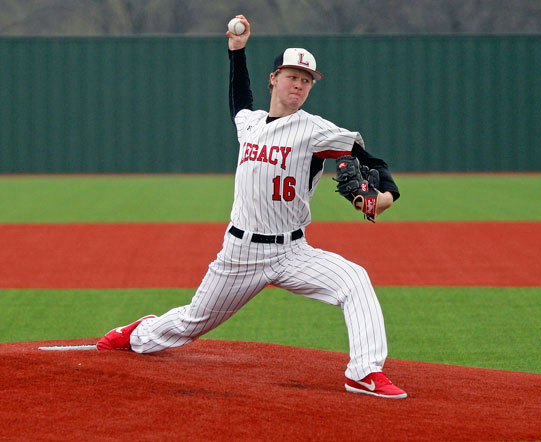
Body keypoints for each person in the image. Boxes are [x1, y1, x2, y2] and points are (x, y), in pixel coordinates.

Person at [97, 15, 406, 399]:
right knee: (194, 322)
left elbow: (375, 163)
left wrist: (385, 197)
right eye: (292, 76)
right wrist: (236, 52)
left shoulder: (315, 131)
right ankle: (140, 332)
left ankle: (364, 372)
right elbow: (238, 99)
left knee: (354, 279)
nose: (299, 85)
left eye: (306, 80)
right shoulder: (250, 124)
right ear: (274, 79)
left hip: (293, 250)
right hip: (241, 252)